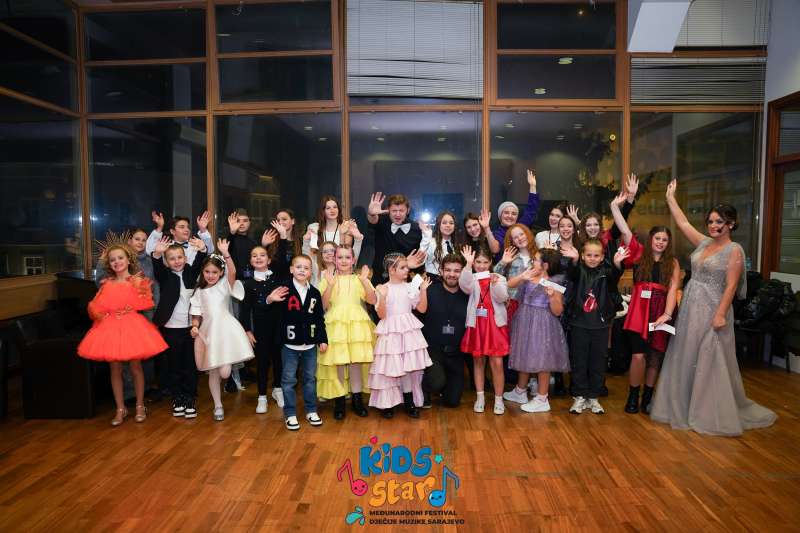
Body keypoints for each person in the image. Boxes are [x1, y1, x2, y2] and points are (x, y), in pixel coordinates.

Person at [650, 180, 777, 436]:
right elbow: (683, 223)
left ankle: (707, 411)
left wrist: (720, 314)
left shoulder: (734, 250)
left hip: (713, 309)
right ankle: (684, 405)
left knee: (709, 358)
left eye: (719, 221)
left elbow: (731, 286)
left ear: (731, 224)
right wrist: (670, 199)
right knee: (687, 356)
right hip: (691, 309)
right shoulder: (704, 243)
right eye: (710, 221)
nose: (714, 225)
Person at [78, 234, 167, 426]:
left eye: (120, 258)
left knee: (136, 367)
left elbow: (147, 302)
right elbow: (95, 307)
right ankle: (120, 408)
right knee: (115, 369)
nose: (117, 262)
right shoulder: (106, 284)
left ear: (128, 260)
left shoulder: (137, 281)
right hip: (110, 328)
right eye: (112, 260)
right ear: (109, 264)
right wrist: (104, 314)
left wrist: (133, 302)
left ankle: (140, 405)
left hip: (132, 326)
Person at [609, 192, 680, 414]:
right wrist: (615, 207)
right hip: (639, 311)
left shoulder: (673, 262)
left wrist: (667, 315)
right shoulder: (639, 254)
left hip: (662, 311)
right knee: (638, 355)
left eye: (664, 240)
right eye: (657, 238)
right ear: (651, 239)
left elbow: (673, 290)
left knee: (655, 356)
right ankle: (633, 395)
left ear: (668, 243)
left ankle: (647, 398)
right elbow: (624, 230)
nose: (660, 242)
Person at [189, 239, 255, 421]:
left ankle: (227, 376)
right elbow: (196, 314)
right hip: (209, 333)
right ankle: (218, 405)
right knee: (213, 370)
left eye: (214, 272)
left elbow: (232, 272)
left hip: (226, 331)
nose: (210, 275)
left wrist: (226, 254)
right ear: (203, 272)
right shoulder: (199, 292)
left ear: (220, 273)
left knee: (224, 372)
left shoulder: (224, 286)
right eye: (207, 272)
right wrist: (194, 326)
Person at [562, 239, 628, 415]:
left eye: (596, 255)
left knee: (598, 361)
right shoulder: (579, 270)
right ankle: (579, 395)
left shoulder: (606, 272)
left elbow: (615, 277)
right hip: (579, 323)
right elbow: (572, 273)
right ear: (583, 256)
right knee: (579, 360)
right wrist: (574, 260)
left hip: (600, 325)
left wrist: (617, 264)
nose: (592, 258)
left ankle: (593, 396)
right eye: (589, 255)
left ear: (602, 257)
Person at [503, 249, 569, 413]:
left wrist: (552, 296)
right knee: (524, 353)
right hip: (525, 319)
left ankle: (542, 398)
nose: (533, 262)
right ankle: (520, 390)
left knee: (542, 358)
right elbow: (509, 284)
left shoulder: (554, 282)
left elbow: (558, 311)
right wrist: (522, 277)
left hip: (542, 323)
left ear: (545, 265)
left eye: (536, 260)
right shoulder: (529, 275)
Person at [369, 254, 433, 418]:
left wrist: (423, 290)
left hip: (408, 330)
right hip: (390, 330)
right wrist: (382, 297)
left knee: (407, 366)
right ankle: (388, 403)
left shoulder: (410, 287)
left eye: (406, 267)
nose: (407, 270)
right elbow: (382, 315)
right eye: (403, 268)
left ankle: (409, 400)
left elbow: (422, 309)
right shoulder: (382, 288)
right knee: (390, 366)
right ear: (392, 270)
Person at [151, 236, 208, 419]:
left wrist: (203, 249)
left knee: (189, 365)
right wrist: (157, 254)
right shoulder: (165, 275)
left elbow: (200, 261)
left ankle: (190, 397)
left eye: (180, 257)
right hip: (171, 328)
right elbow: (157, 266)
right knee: (174, 365)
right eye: (172, 258)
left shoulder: (190, 272)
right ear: (167, 262)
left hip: (191, 327)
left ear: (185, 258)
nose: (177, 261)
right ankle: (177, 397)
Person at [318, 245, 377, 419]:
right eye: (340, 257)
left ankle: (357, 400)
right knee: (338, 361)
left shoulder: (359, 279)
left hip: (356, 324)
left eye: (347, 257)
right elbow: (323, 305)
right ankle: (340, 401)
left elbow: (372, 300)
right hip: (335, 324)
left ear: (353, 260)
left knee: (355, 362)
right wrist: (330, 285)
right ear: (334, 260)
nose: (343, 261)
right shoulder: (328, 278)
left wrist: (365, 281)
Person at [275, 255, 328, 431]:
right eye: (298, 267)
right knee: (288, 380)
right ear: (291, 269)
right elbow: (276, 315)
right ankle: (290, 413)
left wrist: (322, 339)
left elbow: (319, 318)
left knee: (309, 379)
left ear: (311, 272)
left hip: (310, 345)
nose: (302, 270)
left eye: (306, 268)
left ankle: (311, 410)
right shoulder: (284, 290)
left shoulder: (314, 293)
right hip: (289, 345)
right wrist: (270, 300)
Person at [459, 245, 510, 415]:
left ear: (491, 262)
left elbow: (502, 298)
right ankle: (480, 397)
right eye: (478, 262)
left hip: (494, 325)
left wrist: (495, 284)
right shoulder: (471, 277)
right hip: (477, 324)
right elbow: (464, 287)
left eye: (485, 262)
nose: (481, 265)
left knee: (497, 363)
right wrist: (467, 265)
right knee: (478, 361)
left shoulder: (499, 277)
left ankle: (498, 399)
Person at [239, 245, 287, 414]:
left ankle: (278, 389)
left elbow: (283, 261)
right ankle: (261, 396)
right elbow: (245, 310)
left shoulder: (278, 278)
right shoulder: (248, 284)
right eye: (254, 256)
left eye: (262, 255)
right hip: (261, 329)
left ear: (269, 260)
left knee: (279, 360)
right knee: (262, 362)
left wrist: (283, 238)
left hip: (279, 327)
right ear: (250, 261)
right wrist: (247, 330)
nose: (258, 258)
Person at [420, 254, 469, 408]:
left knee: (452, 402)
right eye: (448, 270)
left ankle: (444, 382)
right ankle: (423, 388)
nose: (452, 274)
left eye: (457, 271)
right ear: (441, 271)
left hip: (456, 354)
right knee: (436, 382)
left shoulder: (468, 294)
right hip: (433, 352)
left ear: (463, 272)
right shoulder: (429, 291)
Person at [367, 192, 423, 281]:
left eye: (401, 210)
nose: (398, 214)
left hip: (404, 279)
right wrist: (371, 214)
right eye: (394, 210)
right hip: (380, 279)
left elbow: (418, 257)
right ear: (388, 210)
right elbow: (373, 220)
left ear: (408, 210)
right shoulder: (382, 221)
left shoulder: (416, 228)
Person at [492, 169, 539, 258]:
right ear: (500, 215)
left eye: (514, 214)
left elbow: (531, 210)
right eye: (506, 213)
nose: (510, 216)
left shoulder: (521, 226)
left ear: (517, 217)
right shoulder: (496, 233)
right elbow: (495, 249)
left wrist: (532, 186)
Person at [225, 209, 280, 280]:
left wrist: (264, 246)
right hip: (233, 281)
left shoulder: (253, 242)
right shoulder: (230, 239)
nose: (241, 223)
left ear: (249, 223)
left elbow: (259, 264)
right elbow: (226, 249)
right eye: (238, 221)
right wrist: (232, 232)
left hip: (251, 281)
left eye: (245, 221)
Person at [146, 210, 215, 264]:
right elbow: (149, 250)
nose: (187, 230)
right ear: (172, 231)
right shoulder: (165, 246)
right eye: (182, 227)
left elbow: (210, 250)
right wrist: (160, 227)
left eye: (188, 227)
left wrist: (203, 230)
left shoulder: (195, 244)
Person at [420, 210, 460, 280]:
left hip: (453, 280)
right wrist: (426, 236)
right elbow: (420, 260)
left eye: (451, 223)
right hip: (434, 280)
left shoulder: (457, 244)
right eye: (444, 223)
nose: (448, 225)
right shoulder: (430, 242)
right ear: (439, 225)